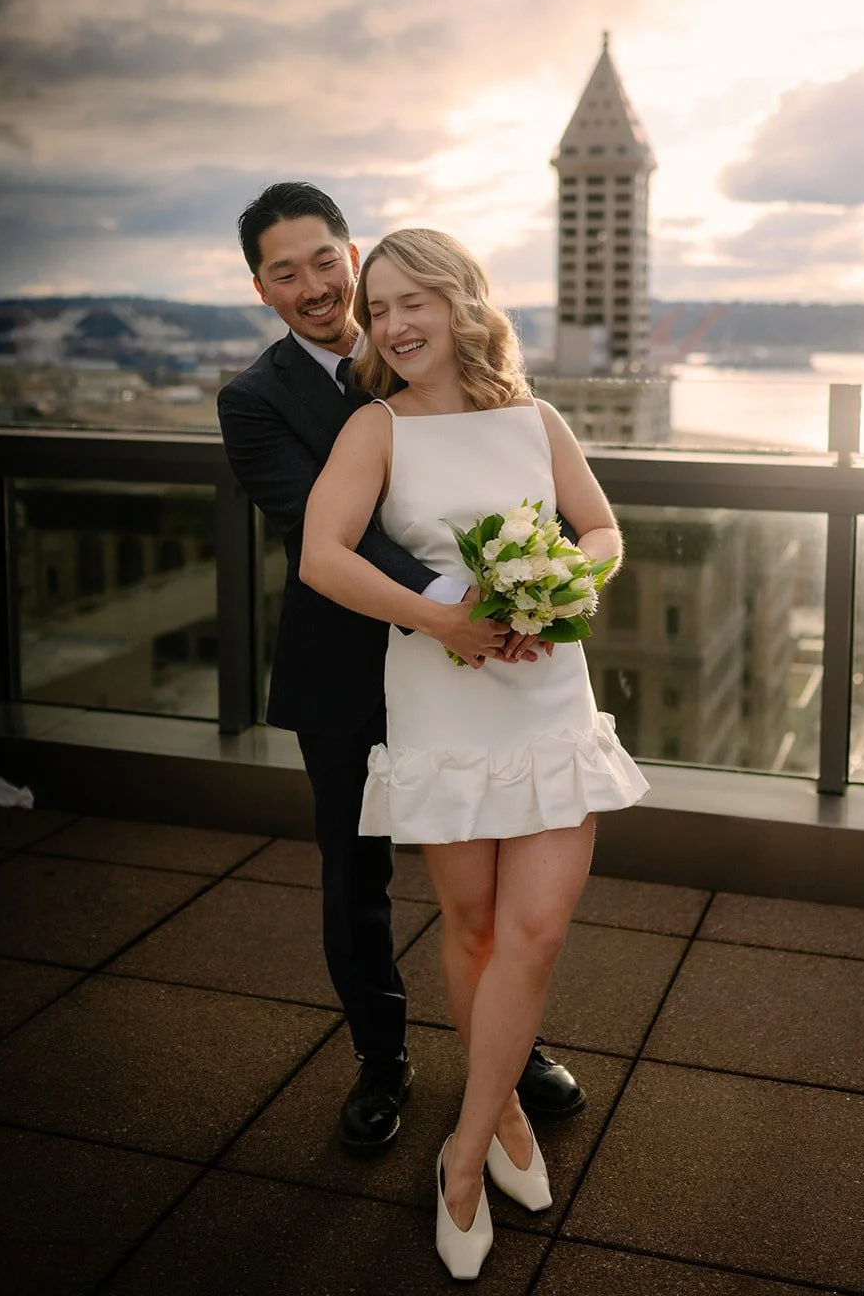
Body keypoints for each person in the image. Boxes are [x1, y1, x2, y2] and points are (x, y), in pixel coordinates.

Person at [299, 226, 649, 1279]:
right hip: (440, 691)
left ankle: (461, 1145)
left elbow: (600, 530)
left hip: (544, 692)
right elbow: (320, 556)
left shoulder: (534, 418)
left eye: (417, 300)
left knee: (534, 932)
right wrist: (439, 618)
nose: (396, 323)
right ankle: (499, 1125)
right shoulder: (375, 428)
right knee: (475, 925)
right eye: (381, 303)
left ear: (461, 303)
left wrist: (564, 584)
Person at [217, 183, 587, 1158]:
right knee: (357, 877)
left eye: (323, 261)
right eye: (283, 272)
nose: (312, 286)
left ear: (352, 254)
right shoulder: (254, 399)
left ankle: (509, 1054)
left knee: (499, 873)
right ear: (261, 287)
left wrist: (518, 597)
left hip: (480, 670)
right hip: (347, 669)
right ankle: (382, 1061)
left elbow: (516, 482)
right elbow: (321, 529)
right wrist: (465, 604)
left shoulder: (439, 362)